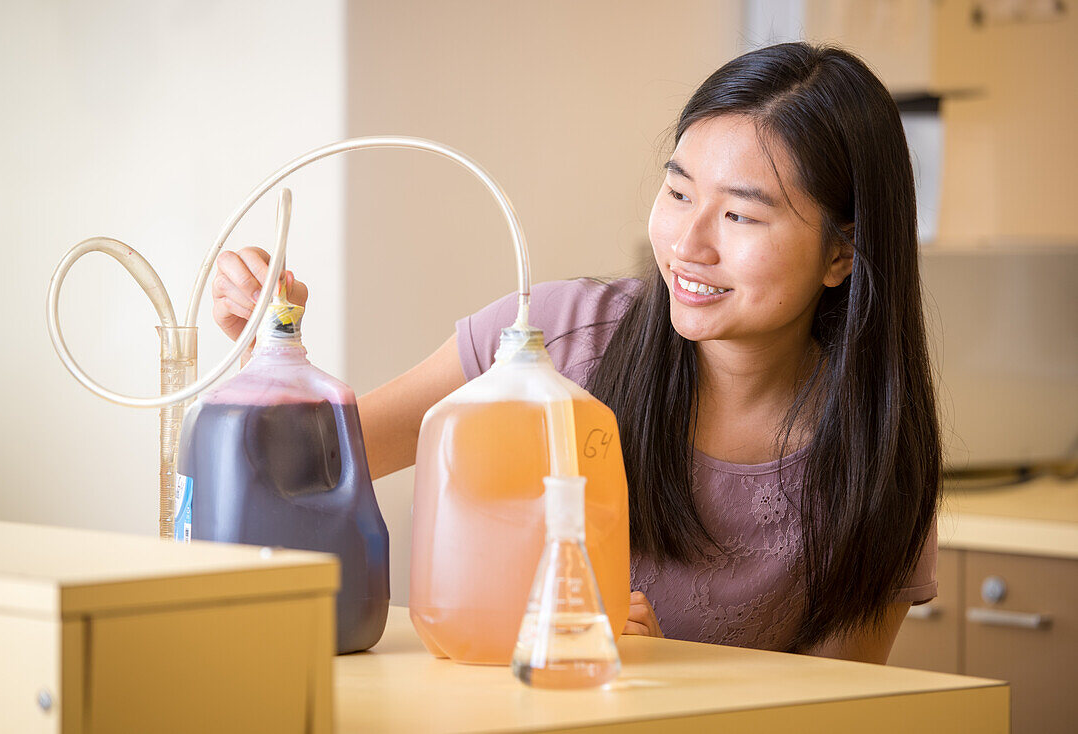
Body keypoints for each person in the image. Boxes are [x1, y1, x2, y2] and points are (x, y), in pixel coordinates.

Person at [210, 42, 940, 664]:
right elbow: (306, 472)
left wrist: (667, 676)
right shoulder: (557, 340)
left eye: (742, 214)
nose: (688, 244)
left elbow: (842, 709)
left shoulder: (875, 455)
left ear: (841, 253)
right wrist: (271, 349)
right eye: (679, 193)